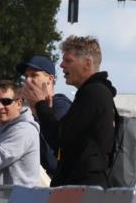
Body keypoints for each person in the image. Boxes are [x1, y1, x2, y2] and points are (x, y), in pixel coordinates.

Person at [22, 36, 117, 187]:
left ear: (87, 63)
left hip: (84, 190)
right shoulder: (93, 92)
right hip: (81, 187)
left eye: (68, 60)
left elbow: (59, 138)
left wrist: (40, 105)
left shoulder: (93, 93)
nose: (61, 65)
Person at [18, 55, 72, 179]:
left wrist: (38, 110)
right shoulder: (28, 112)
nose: (28, 80)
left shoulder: (60, 105)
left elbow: (52, 159)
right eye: (26, 76)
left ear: (50, 79)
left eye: (34, 75)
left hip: (56, 183)